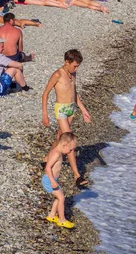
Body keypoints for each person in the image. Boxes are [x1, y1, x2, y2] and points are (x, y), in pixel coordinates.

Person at [42, 49, 91, 188]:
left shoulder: (73, 74)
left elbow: (74, 93)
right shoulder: (57, 75)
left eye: (78, 66)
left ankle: (47, 159)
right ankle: (77, 175)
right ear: (66, 62)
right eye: (74, 65)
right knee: (69, 141)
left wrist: (83, 109)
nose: (76, 68)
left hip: (71, 109)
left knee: (60, 138)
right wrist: (45, 114)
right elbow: (45, 94)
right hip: (61, 110)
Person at [42, 132, 77, 229]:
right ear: (64, 144)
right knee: (61, 198)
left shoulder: (57, 152)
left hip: (52, 179)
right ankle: (62, 220)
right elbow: (48, 167)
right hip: (49, 180)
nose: (70, 152)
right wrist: (52, 181)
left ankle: (52, 215)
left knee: (59, 196)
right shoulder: (56, 153)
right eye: (70, 149)